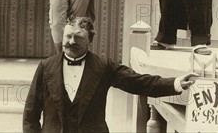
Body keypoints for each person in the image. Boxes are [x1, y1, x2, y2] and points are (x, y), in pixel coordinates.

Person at [23, 17, 197, 132]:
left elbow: (138, 82)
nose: (71, 42)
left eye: (79, 38)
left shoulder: (103, 66)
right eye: (68, 36)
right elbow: (30, 114)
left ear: (90, 40)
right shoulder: (46, 67)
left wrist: (175, 83)